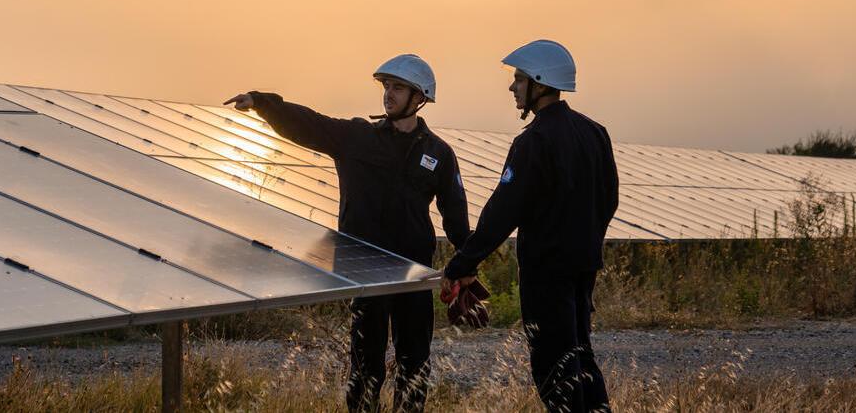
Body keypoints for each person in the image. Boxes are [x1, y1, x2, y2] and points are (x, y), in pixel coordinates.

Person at [225, 54, 468, 412]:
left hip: (414, 274)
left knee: (415, 364)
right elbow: (310, 125)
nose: (388, 94)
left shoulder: (438, 154)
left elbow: (456, 216)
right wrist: (264, 104)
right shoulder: (357, 137)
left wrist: (464, 267)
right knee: (366, 368)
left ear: (420, 97)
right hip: (365, 272)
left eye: (397, 87)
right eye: (386, 86)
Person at [441, 40, 618, 412]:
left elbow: (502, 213)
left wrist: (462, 264)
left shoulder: (533, 141)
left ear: (539, 82)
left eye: (519, 79)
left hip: (546, 273)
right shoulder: (595, 133)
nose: (512, 87)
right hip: (585, 268)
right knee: (581, 356)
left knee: (554, 365)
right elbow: (610, 200)